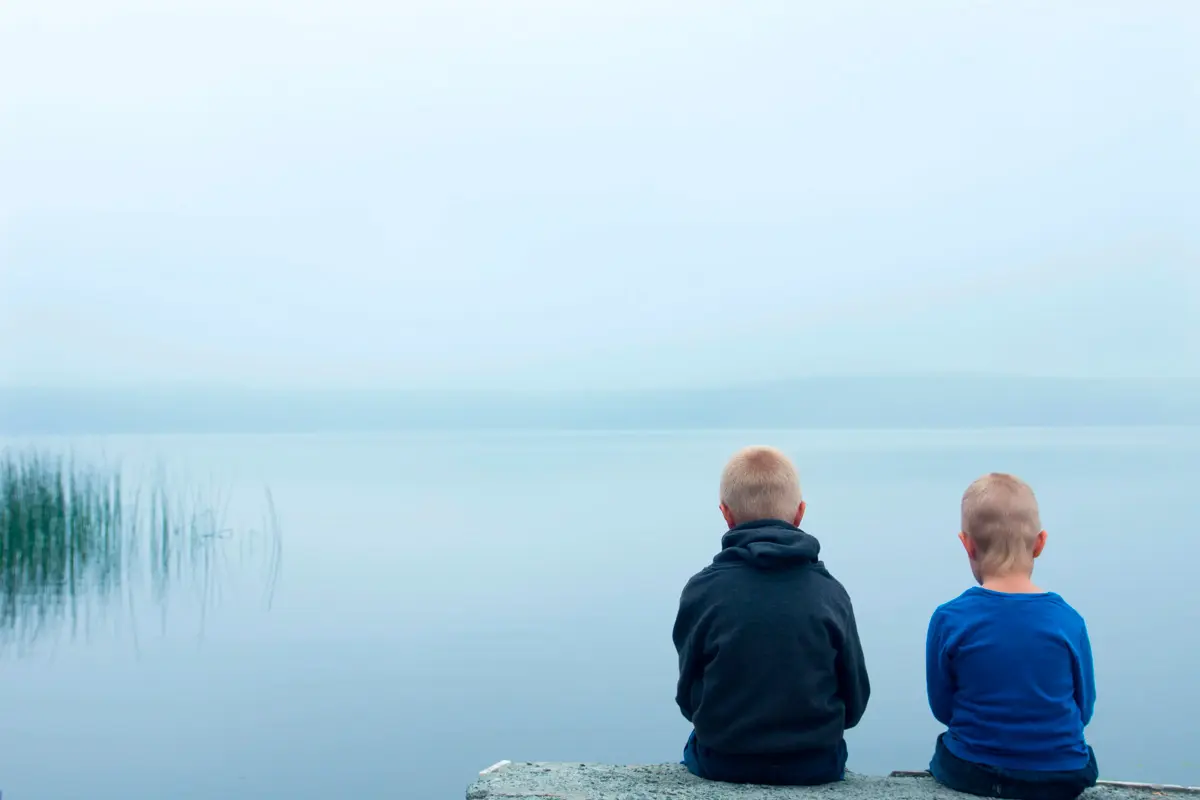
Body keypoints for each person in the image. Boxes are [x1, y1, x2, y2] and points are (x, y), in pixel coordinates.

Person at [673, 445, 870, 785]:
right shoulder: (830, 593)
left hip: (724, 760)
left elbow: (689, 694)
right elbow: (855, 699)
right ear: (800, 513)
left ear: (726, 514)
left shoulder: (702, 590)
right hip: (816, 763)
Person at [926, 472, 1099, 800]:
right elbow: (1084, 709)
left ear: (967, 544)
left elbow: (943, 708)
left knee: (945, 750)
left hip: (975, 773)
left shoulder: (949, 619)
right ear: (1040, 543)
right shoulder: (1068, 621)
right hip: (1064, 775)